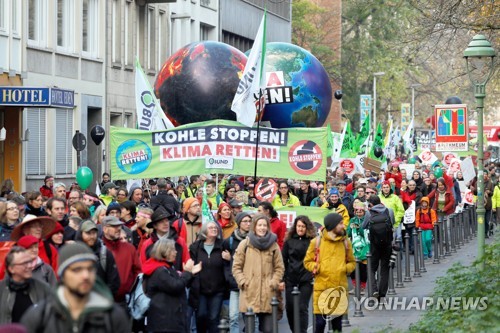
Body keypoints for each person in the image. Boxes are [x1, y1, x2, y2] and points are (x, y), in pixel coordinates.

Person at [21, 242, 130, 332]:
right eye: (77, 270)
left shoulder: (113, 316)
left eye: (90, 269)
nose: (86, 276)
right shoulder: (40, 316)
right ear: (62, 275)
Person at [232, 214, 285, 333]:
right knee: (250, 329)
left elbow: (279, 267)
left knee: (268, 329)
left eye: (264, 225)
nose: (262, 228)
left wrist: (274, 282)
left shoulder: (273, 245)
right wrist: (243, 282)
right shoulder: (245, 244)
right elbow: (236, 267)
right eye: (259, 225)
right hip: (249, 293)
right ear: (254, 227)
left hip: (268, 294)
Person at [304, 213, 356, 332]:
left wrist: (344, 268)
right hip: (322, 288)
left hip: (339, 288)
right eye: (340, 223)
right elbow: (307, 262)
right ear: (332, 226)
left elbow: (352, 262)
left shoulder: (345, 242)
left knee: (337, 326)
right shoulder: (316, 242)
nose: (343, 226)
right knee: (320, 324)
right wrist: (318, 267)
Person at [143, 238, 202, 333]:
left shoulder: (166, 268)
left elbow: (180, 282)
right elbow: (175, 286)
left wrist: (190, 273)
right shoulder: (160, 271)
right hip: (164, 322)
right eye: (173, 250)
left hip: (169, 319)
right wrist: (187, 272)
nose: (176, 253)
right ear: (164, 252)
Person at [189, 221, 229, 333]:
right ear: (204, 232)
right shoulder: (195, 247)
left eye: (216, 228)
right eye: (211, 227)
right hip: (200, 289)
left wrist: (230, 259)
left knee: (213, 317)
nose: (214, 229)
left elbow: (231, 264)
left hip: (218, 289)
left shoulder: (223, 245)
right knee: (201, 315)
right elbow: (190, 265)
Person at [0, 247, 52, 324]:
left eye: (29, 262)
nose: (30, 266)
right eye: (24, 263)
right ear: (11, 269)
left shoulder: (43, 288)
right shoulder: (2, 289)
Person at [282, 216, 315, 333]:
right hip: (291, 278)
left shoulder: (312, 241)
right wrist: (283, 278)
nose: (300, 229)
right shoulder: (289, 240)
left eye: (303, 226)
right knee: (290, 308)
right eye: (298, 226)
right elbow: (283, 259)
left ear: (307, 228)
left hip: (306, 278)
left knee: (302, 307)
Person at [222, 212, 253, 333]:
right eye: (245, 221)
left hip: (249, 283)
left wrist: (232, 259)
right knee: (233, 316)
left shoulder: (254, 240)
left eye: (250, 221)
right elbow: (224, 262)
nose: (248, 224)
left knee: (249, 316)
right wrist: (228, 276)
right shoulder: (229, 241)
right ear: (239, 223)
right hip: (234, 283)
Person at [101, 216, 141, 304]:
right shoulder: (100, 249)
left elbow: (138, 272)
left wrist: (133, 290)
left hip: (127, 301)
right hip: (104, 301)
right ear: (105, 229)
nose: (118, 229)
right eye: (114, 226)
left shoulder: (129, 248)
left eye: (119, 226)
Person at [75, 220, 120, 297]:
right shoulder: (73, 252)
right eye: (88, 233)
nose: (92, 236)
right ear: (80, 234)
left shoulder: (104, 253)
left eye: (94, 233)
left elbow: (114, 281)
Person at [362, 195, 395, 301]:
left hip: (374, 245)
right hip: (387, 244)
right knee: (385, 269)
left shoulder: (369, 213)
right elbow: (392, 223)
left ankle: (374, 290)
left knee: (371, 268)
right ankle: (382, 293)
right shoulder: (389, 211)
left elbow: (364, 226)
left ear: (371, 204)